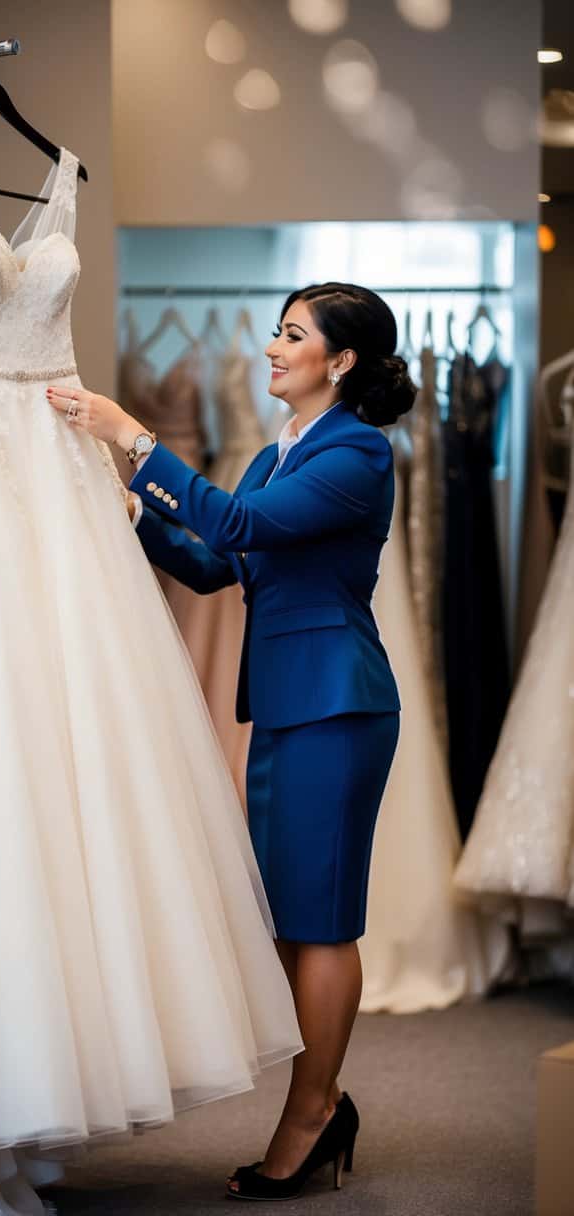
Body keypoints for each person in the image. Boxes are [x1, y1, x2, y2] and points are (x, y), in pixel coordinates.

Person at [47, 282, 415, 1202]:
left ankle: (313, 1111)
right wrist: (129, 517)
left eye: (292, 336)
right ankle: (318, 1099)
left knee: (322, 917)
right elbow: (218, 564)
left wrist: (133, 439)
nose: (270, 348)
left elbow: (242, 526)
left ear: (341, 361)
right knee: (291, 914)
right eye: (274, 331)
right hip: (287, 706)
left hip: (336, 703)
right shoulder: (273, 454)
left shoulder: (358, 452)